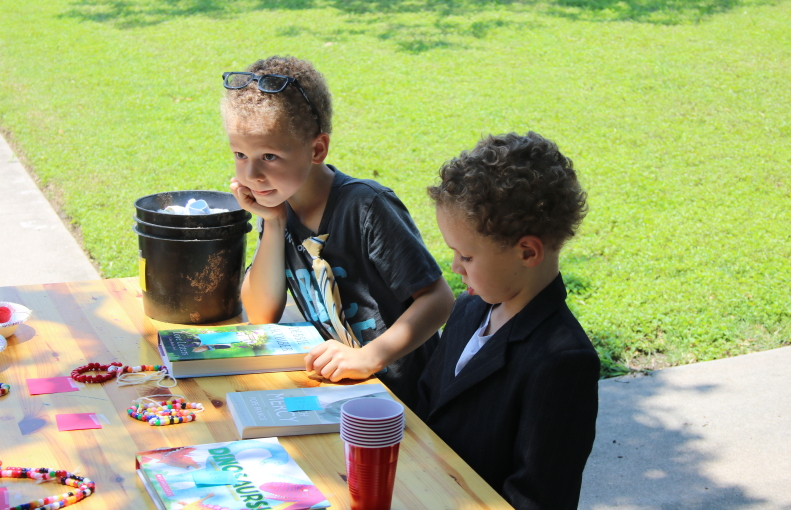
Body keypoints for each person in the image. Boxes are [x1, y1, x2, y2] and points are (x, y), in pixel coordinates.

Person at [221, 56, 453, 407]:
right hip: (344, 394)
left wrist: (369, 358)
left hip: (408, 400)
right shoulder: (281, 205)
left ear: (317, 149)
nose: (251, 174)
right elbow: (261, 314)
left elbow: (439, 300)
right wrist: (274, 223)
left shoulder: (366, 206)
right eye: (240, 154)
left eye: (269, 156)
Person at [415, 131, 600, 510]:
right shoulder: (468, 309)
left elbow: (539, 497)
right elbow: (426, 404)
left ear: (527, 252)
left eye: (466, 256)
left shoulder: (563, 361)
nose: (455, 267)